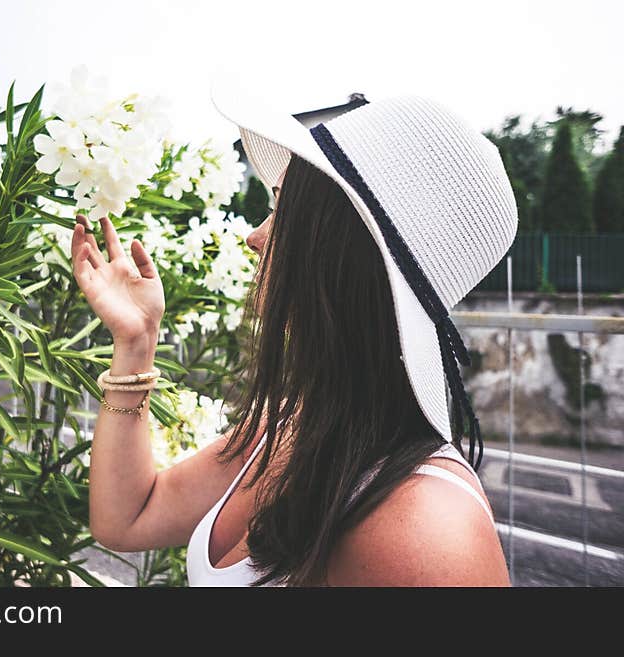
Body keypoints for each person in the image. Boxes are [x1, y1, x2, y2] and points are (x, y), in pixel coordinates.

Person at [70, 88, 516, 587]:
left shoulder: (428, 530)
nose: (254, 236)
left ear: (341, 246)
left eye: (280, 207)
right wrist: (136, 343)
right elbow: (128, 519)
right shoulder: (285, 427)